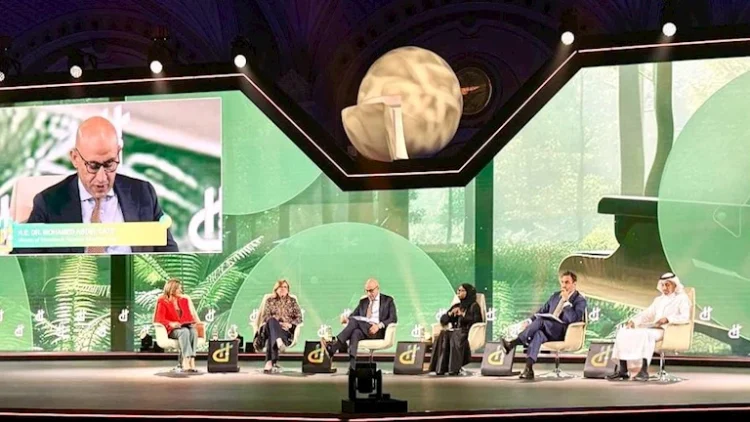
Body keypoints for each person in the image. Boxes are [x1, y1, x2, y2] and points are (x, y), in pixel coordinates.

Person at [12, 115, 178, 254]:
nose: (102, 178)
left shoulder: (143, 194)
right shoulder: (48, 203)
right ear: (75, 158)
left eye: (109, 164)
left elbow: (171, 261)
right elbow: (22, 264)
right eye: (93, 166)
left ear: (118, 153)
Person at [501, 270, 587, 380]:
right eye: (562, 282)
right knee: (538, 334)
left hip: (564, 332)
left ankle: (513, 343)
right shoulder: (555, 296)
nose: (563, 285)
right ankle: (529, 369)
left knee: (541, 321)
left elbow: (574, 319)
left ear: (574, 284)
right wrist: (529, 321)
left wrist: (566, 302)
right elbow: (542, 311)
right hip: (548, 329)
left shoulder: (580, 300)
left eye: (567, 282)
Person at [607, 273, 691, 381]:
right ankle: (623, 371)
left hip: (668, 330)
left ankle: (644, 371)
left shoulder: (682, 298)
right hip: (654, 328)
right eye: (663, 285)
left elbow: (685, 317)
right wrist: (634, 321)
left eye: (667, 285)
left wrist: (668, 319)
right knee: (624, 331)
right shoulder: (659, 300)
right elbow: (647, 314)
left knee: (646, 334)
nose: (664, 288)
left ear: (675, 285)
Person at [321, 278, 397, 371]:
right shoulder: (363, 302)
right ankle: (352, 366)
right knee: (355, 333)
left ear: (377, 288)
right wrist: (346, 319)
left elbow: (393, 318)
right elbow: (354, 316)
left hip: (377, 331)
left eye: (371, 291)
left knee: (355, 323)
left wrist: (378, 326)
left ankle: (334, 346)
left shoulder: (387, 300)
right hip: (363, 330)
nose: (369, 294)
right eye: (367, 291)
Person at [429, 283, 484, 376]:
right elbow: (443, 321)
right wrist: (450, 314)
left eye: (462, 290)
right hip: (455, 332)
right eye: (458, 290)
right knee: (443, 334)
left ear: (468, 292)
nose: (459, 292)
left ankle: (454, 368)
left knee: (456, 336)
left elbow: (477, 321)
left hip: (467, 332)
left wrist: (462, 315)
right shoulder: (457, 306)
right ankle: (441, 368)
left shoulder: (474, 306)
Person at [253, 279, 303, 374]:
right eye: (280, 287)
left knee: (273, 335)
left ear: (288, 290)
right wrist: (278, 323)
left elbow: (299, 318)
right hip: (267, 328)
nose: (283, 289)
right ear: (276, 289)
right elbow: (266, 316)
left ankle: (269, 362)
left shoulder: (292, 301)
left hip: (285, 331)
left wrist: (290, 325)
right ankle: (279, 342)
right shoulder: (270, 300)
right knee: (272, 321)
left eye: (285, 287)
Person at [153, 278, 202, 373]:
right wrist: (171, 324)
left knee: (193, 331)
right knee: (184, 332)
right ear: (172, 289)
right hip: (171, 330)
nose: (181, 290)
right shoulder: (163, 301)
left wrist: (187, 322)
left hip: (183, 326)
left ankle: (192, 359)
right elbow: (159, 319)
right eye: (179, 288)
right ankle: (186, 359)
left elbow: (189, 316)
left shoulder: (184, 300)